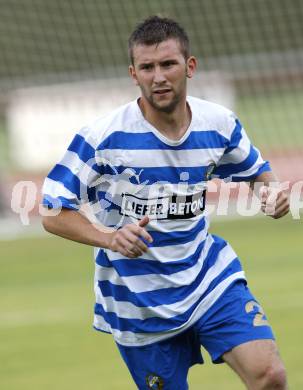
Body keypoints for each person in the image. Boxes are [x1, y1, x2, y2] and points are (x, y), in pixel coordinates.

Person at [42, 15, 289, 390]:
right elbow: (51, 210)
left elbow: (257, 173)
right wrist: (108, 237)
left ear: (189, 67)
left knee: (269, 376)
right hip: (138, 302)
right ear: (133, 73)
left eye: (168, 64)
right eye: (147, 67)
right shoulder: (103, 137)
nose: (158, 76)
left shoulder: (218, 124)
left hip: (208, 277)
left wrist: (270, 195)